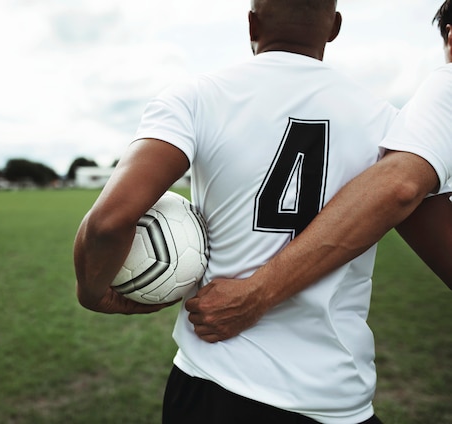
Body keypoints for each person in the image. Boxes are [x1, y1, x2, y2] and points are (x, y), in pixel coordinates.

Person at [74, 0, 447, 422]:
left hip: (214, 384)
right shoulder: (388, 123)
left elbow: (109, 222)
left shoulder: (196, 97)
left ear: (252, 22)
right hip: (334, 397)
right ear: (335, 27)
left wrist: (92, 291)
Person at [185, 0, 452, 345]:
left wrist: (256, 292)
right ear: (334, 27)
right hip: (337, 383)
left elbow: (400, 187)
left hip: (220, 367)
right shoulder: (381, 116)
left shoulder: (203, 94)